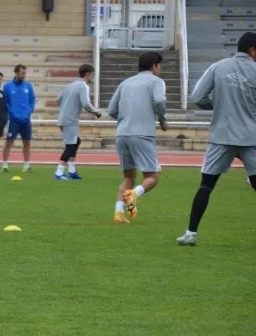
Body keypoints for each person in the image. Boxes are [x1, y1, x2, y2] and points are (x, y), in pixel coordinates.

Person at [176, 32, 256, 246]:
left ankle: (190, 233)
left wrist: (220, 103)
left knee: (206, 185)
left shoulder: (218, 66)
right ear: (252, 50)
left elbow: (197, 97)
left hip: (222, 135)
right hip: (250, 136)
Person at [107, 51, 168, 224]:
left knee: (129, 177)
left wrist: (127, 117)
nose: (160, 69)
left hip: (122, 134)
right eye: (159, 65)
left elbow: (111, 110)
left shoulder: (125, 83)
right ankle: (134, 194)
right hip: (142, 133)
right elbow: (159, 101)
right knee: (152, 176)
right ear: (154, 65)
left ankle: (119, 213)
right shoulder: (156, 81)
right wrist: (162, 120)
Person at [54, 63, 102, 180]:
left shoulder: (71, 85)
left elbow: (58, 100)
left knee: (76, 142)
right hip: (70, 120)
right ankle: (59, 172)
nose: (93, 77)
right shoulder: (83, 86)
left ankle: (72, 171)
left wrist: (67, 107)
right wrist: (96, 112)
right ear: (88, 74)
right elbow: (86, 103)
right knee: (70, 145)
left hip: (63, 118)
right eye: (92, 74)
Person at [1, 64, 37, 172]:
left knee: (27, 143)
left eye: (25, 73)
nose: (24, 75)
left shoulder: (28, 86)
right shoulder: (8, 86)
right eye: (22, 73)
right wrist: (11, 112)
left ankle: (26, 166)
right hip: (13, 120)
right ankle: (5, 165)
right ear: (16, 73)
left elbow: (32, 99)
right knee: (9, 142)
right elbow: (5, 101)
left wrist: (29, 110)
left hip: (26, 119)